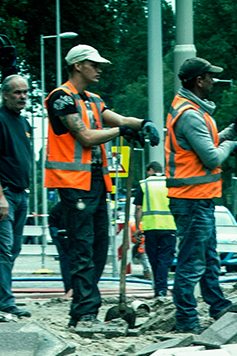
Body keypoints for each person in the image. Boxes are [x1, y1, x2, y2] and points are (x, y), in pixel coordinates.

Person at [44, 45, 147, 329]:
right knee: (83, 246)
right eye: (94, 64)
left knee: (99, 245)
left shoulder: (93, 100)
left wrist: (143, 124)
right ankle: (84, 312)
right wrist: (121, 131)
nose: (99, 69)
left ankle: (84, 308)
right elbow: (86, 137)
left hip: (96, 182)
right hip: (74, 184)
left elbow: (122, 120)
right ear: (78, 65)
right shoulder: (61, 98)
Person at [165, 56, 237, 332]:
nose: (214, 81)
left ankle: (218, 307)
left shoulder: (194, 110)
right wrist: (232, 145)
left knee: (209, 258)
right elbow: (211, 157)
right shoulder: (189, 114)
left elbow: (206, 143)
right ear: (199, 80)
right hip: (191, 199)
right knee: (192, 262)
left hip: (199, 198)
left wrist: (231, 131)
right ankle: (186, 320)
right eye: (210, 76)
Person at [0, 75, 33, 316]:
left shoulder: (24, 123)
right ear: (4, 95)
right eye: (17, 92)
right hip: (4, 196)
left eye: (25, 92)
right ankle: (4, 303)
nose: (22, 96)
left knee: (12, 249)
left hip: (20, 195)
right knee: (2, 249)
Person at [139, 161, 177, 297]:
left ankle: (159, 288)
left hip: (150, 227)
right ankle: (161, 288)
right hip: (169, 226)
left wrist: (138, 227)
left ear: (150, 170)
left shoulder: (144, 184)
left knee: (153, 258)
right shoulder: (170, 182)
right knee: (165, 259)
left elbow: (138, 208)